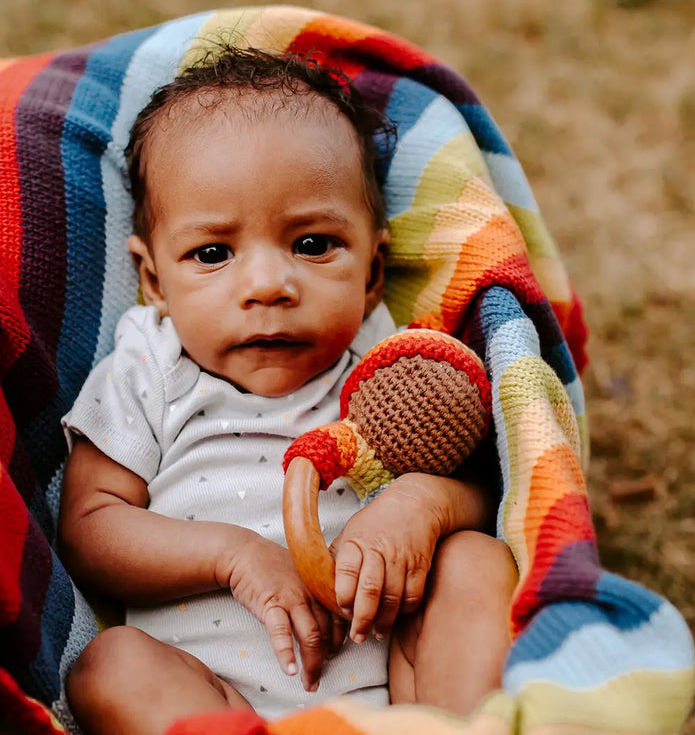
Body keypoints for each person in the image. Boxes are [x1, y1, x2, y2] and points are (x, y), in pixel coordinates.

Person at [58, 46, 517, 735]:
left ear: (372, 269)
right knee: (108, 664)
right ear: (153, 280)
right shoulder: (149, 367)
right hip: (215, 697)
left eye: (312, 244)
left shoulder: (392, 366)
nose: (269, 285)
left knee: (475, 560)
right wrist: (232, 555)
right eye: (213, 254)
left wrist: (423, 505)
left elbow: (488, 489)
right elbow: (90, 527)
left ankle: (460, 726)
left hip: (395, 698)